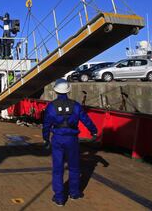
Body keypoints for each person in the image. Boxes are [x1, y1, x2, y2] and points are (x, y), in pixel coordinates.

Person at [42, 79, 97, 207]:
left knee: (58, 169)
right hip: (72, 139)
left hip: (57, 139)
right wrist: (93, 131)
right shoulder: (76, 105)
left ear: (55, 90)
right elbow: (86, 119)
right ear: (68, 90)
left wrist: (45, 138)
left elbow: (46, 124)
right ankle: (74, 193)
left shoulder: (51, 107)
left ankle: (59, 198)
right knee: (74, 167)